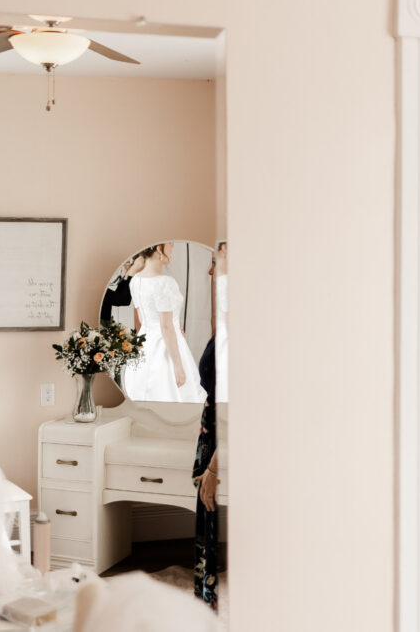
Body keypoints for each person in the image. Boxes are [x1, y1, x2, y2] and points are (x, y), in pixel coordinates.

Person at [121, 243, 206, 403]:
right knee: (174, 396)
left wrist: (176, 319)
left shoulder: (136, 281)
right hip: (166, 346)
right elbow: (165, 327)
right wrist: (178, 366)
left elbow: (142, 319)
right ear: (159, 249)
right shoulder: (165, 282)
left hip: (145, 345)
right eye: (170, 245)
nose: (173, 248)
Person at [193, 242, 227, 611]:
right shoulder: (225, 328)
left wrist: (216, 465)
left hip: (224, 443)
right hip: (211, 434)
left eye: (215, 260)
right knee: (206, 536)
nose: (209, 270)